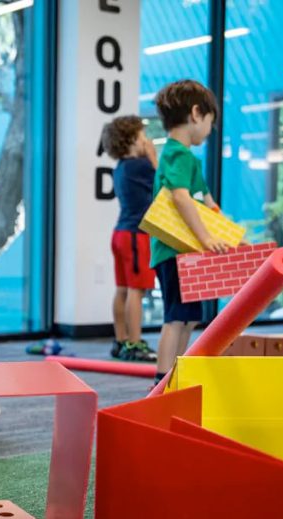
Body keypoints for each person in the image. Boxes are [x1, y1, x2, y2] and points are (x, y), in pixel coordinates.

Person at [150, 80, 228, 386]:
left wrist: (234, 240)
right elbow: (181, 197)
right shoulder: (177, 154)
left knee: (189, 317)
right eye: (210, 121)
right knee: (176, 317)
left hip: (186, 254)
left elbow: (210, 207)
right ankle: (162, 380)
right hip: (174, 252)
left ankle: (175, 376)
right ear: (197, 114)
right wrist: (207, 239)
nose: (210, 129)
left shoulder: (187, 159)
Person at [101, 115, 158, 363]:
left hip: (121, 233)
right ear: (132, 140)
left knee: (123, 289)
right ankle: (135, 343)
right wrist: (153, 157)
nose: (146, 140)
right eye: (142, 135)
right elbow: (163, 186)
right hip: (137, 234)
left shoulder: (122, 167)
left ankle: (121, 340)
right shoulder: (141, 166)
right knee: (138, 290)